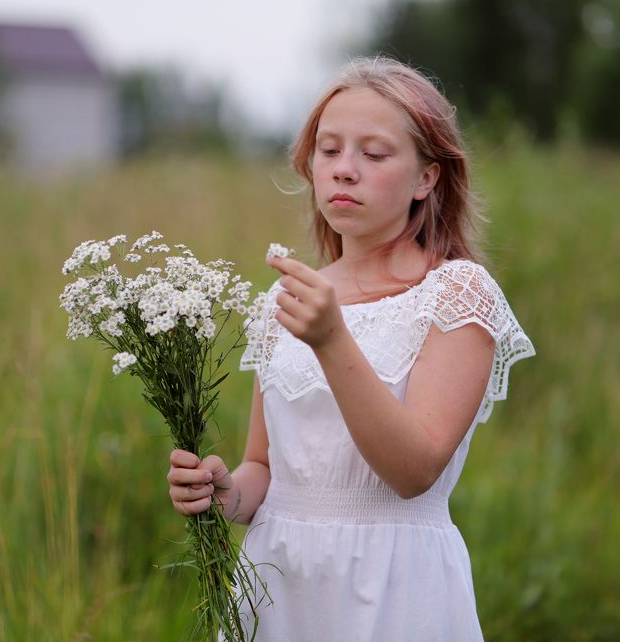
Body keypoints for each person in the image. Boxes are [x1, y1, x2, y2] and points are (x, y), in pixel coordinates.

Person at [167, 56, 536, 641]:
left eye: (375, 153)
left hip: (392, 584)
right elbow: (266, 468)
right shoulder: (288, 299)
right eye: (329, 149)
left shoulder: (456, 294)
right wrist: (226, 493)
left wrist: (331, 339)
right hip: (278, 582)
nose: (344, 170)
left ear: (427, 178)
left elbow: (413, 470)